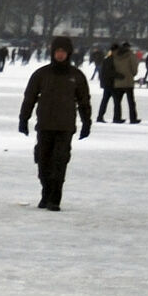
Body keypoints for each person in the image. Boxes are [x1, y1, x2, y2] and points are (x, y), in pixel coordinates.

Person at [18, 36, 93, 211]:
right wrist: (24, 119)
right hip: (45, 125)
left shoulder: (76, 76)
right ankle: (46, 192)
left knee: (60, 161)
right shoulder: (41, 74)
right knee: (43, 161)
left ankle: (55, 198)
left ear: (68, 53)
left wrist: (86, 122)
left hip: (65, 126)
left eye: (63, 52)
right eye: (57, 51)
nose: (60, 55)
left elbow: (84, 101)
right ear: (53, 52)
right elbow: (29, 98)